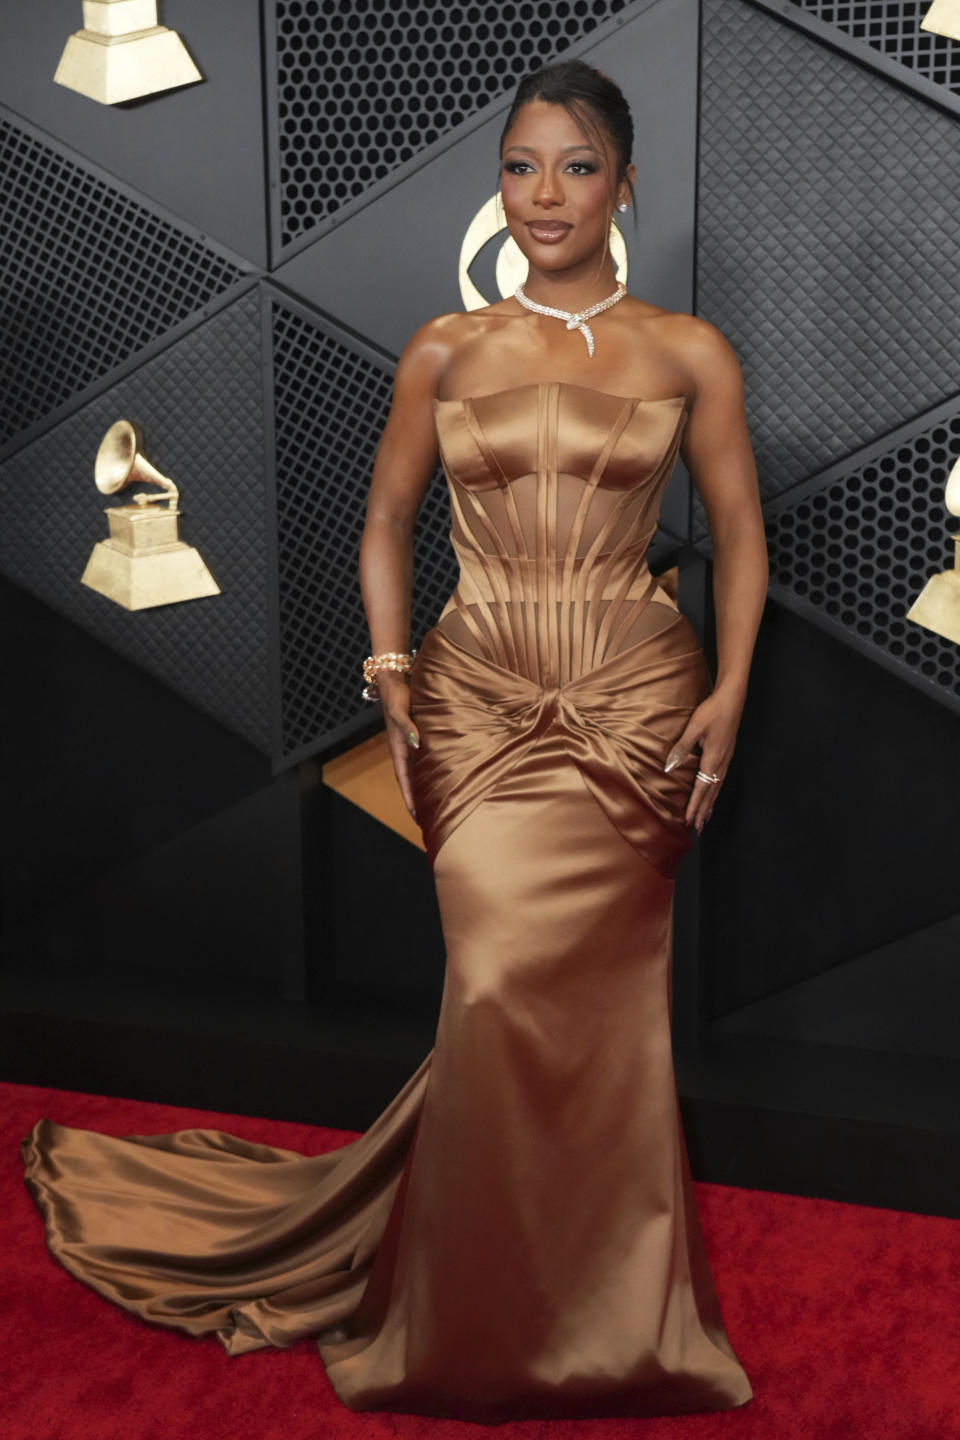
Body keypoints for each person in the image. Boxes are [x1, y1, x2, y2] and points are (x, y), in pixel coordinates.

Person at [21, 59, 768, 1424]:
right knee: (492, 990)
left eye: (577, 167)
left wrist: (725, 694)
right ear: (500, 184)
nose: (546, 195)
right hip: (476, 703)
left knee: (604, 1023)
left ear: (626, 183)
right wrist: (392, 671)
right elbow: (382, 522)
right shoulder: (445, 348)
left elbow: (740, 539)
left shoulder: (687, 352)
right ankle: (467, 1309)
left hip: (634, 705)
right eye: (523, 166)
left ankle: (614, 1312)